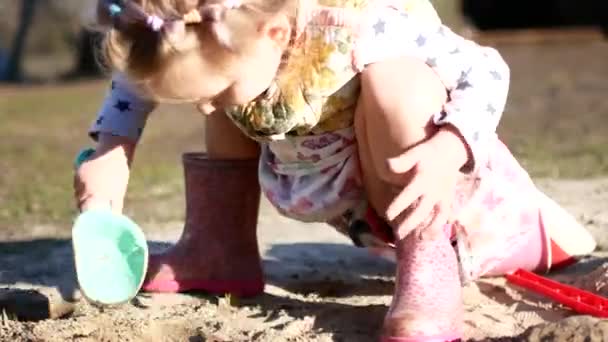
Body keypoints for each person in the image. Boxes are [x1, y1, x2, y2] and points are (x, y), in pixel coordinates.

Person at [74, 0, 597, 340]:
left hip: (437, 195)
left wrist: (449, 151)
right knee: (221, 88)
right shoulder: (216, 30)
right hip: (340, 190)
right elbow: (152, 63)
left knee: (399, 84)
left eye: (216, 95)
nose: (207, 111)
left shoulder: (359, 26)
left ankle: (428, 277)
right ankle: (219, 246)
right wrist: (111, 152)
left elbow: (486, 67)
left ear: (278, 33)